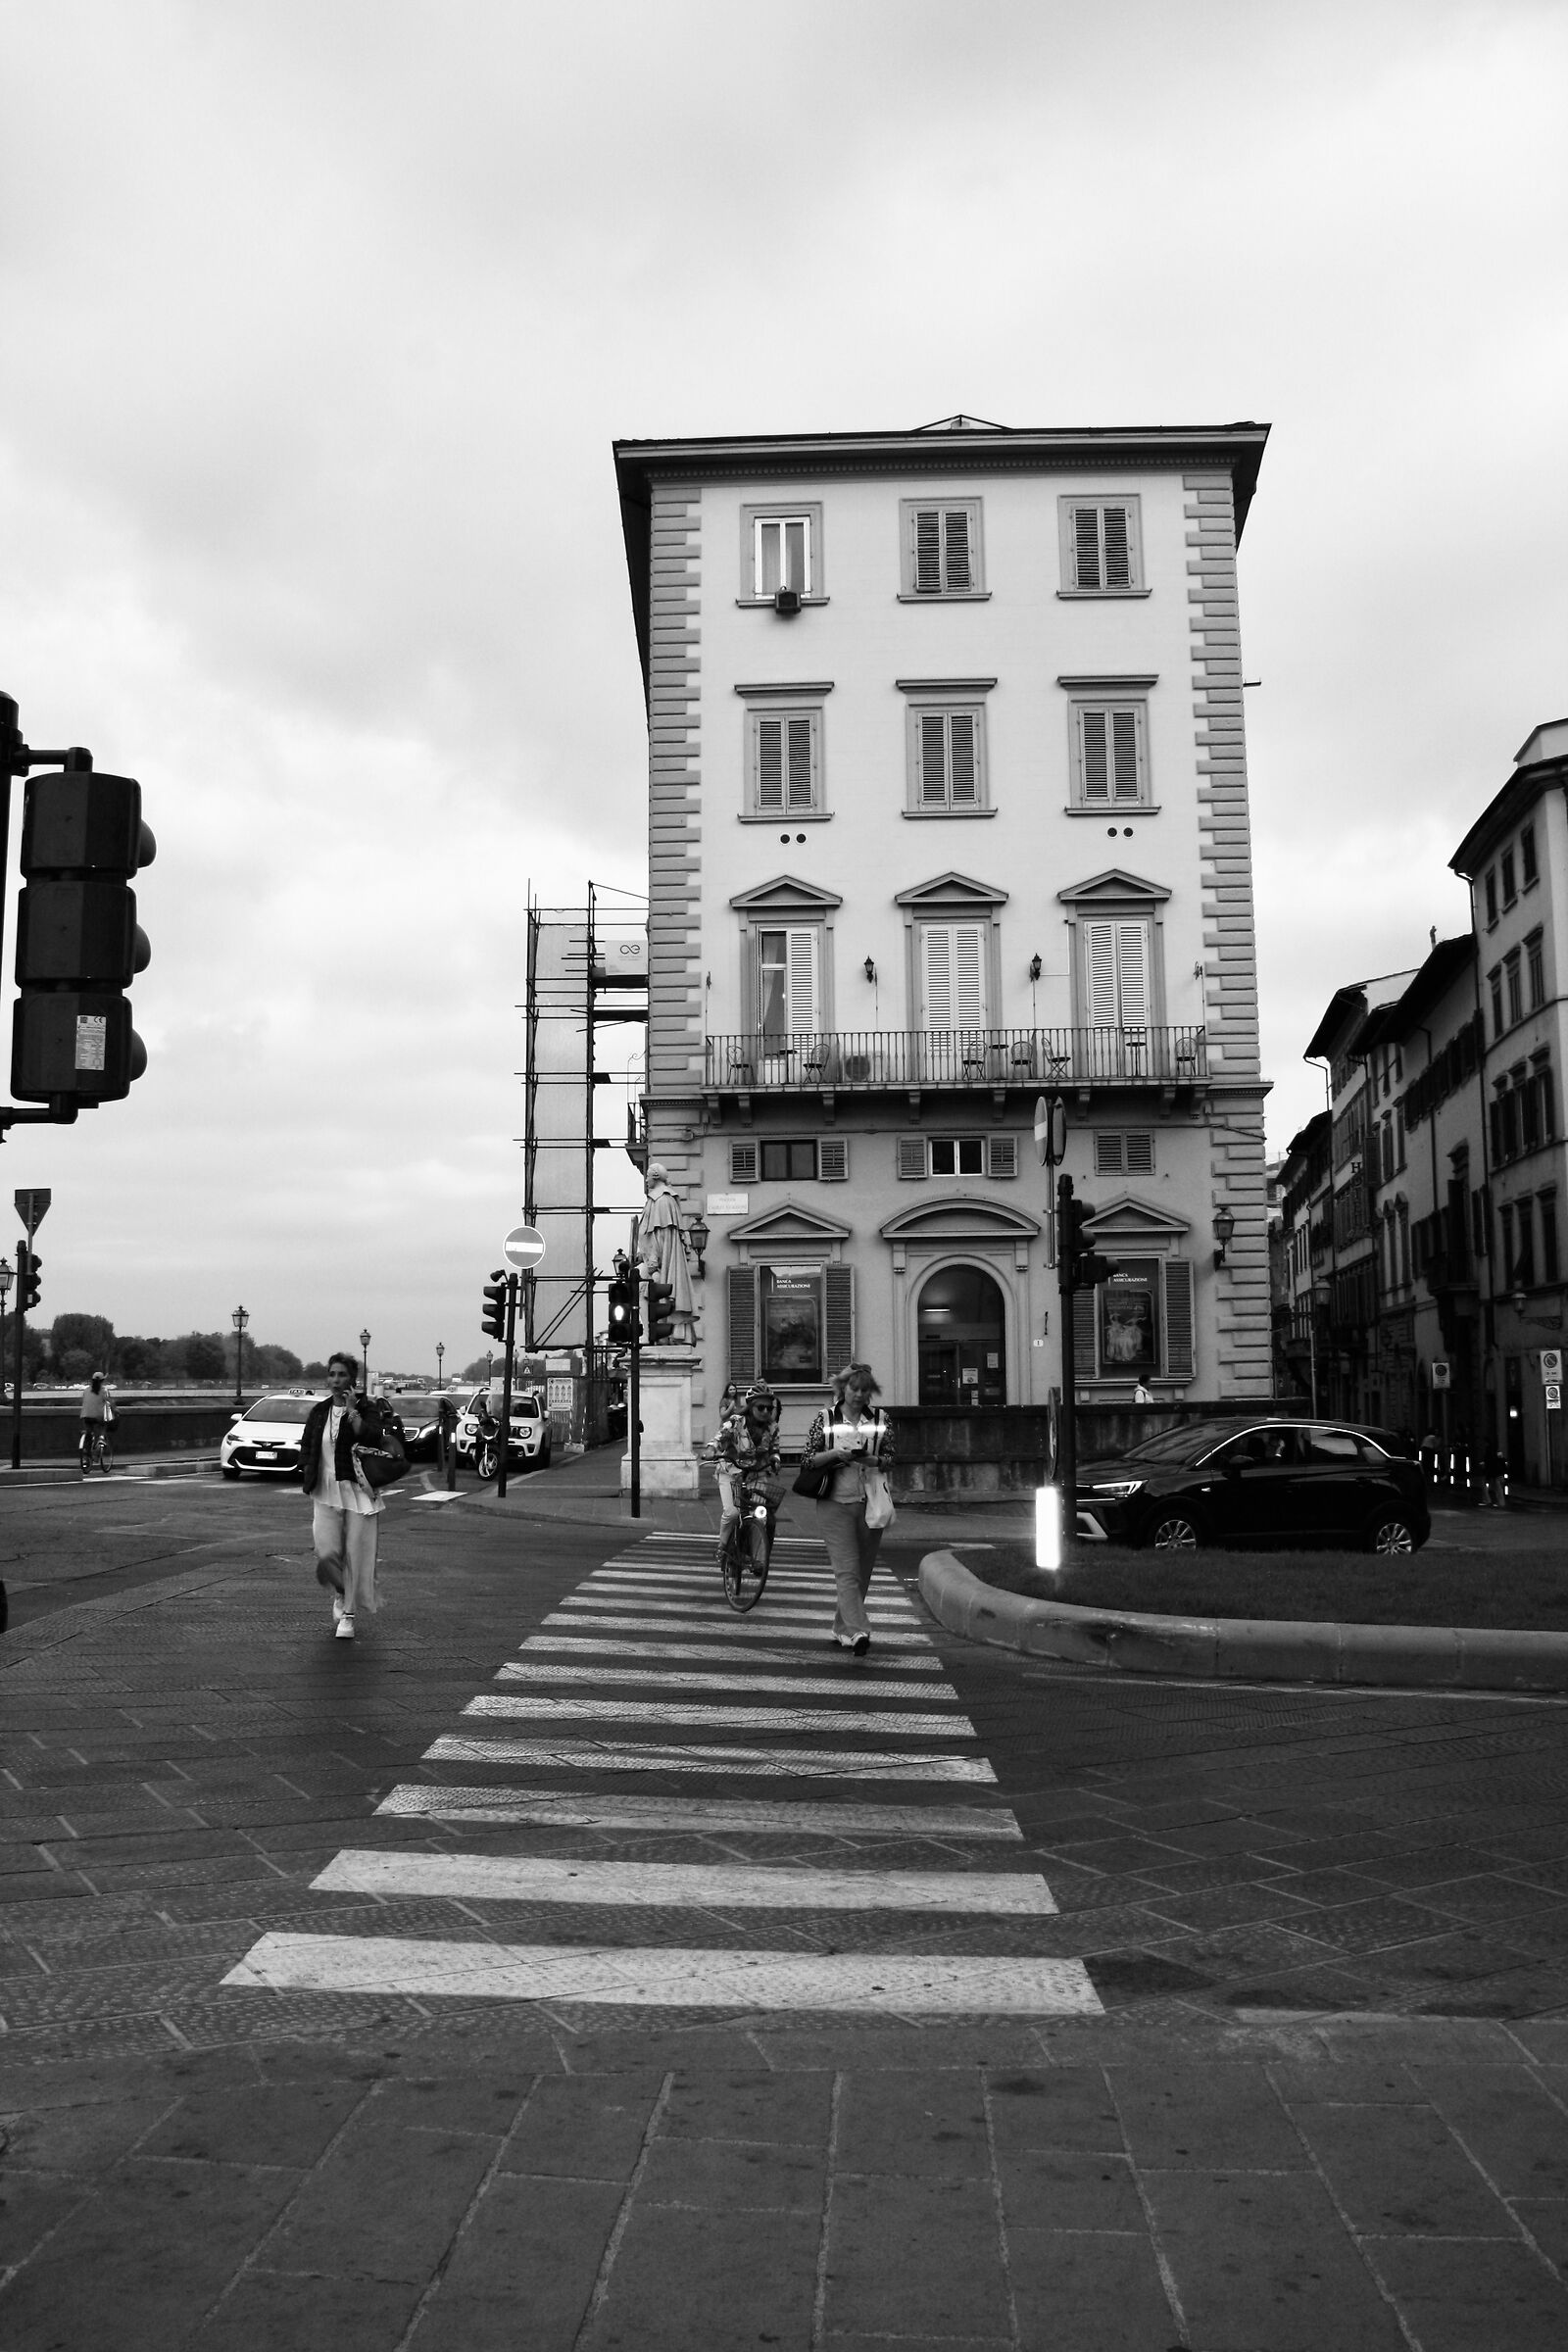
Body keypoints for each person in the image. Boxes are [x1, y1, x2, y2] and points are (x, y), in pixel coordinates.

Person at [298, 1351, 398, 1640]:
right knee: (327, 1552)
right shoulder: (319, 1411)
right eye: (332, 1374)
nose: (336, 1380)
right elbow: (308, 1445)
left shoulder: (368, 1408)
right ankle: (341, 1593)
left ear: (352, 1379)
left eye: (342, 1375)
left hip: (358, 1490)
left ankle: (349, 1613)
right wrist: (306, 1472)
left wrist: (353, 1410)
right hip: (325, 1490)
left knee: (356, 1554)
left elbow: (372, 1437)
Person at [800, 1362, 895, 1657]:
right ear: (844, 1388)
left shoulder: (881, 1419)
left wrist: (873, 1460)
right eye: (854, 1389)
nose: (858, 1395)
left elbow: (891, 1457)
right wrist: (835, 1454)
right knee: (847, 1571)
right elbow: (806, 1460)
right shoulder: (825, 1418)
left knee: (861, 1573)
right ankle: (858, 1630)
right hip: (834, 1503)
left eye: (865, 1390)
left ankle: (842, 1628)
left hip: (871, 1503)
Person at [713, 1381, 784, 1565]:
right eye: (761, 1407)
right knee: (732, 1513)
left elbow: (774, 1449)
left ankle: (757, 1559)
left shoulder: (772, 1427)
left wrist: (776, 1459)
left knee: (760, 1517)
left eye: (770, 1408)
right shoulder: (736, 1422)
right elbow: (719, 1438)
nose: (766, 1412)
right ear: (751, 1406)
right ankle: (722, 1546)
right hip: (730, 1472)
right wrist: (711, 1450)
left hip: (756, 1474)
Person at [78, 1370, 116, 1472]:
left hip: (85, 1416)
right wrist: (115, 1410)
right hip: (98, 1417)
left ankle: (86, 1456)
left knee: (88, 1434)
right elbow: (111, 1403)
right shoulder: (104, 1391)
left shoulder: (86, 1390)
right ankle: (98, 1449)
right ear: (102, 1381)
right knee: (103, 1428)